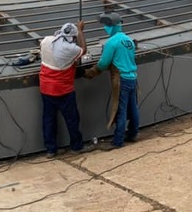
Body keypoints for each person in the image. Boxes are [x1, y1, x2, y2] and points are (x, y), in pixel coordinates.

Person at [84, 12, 139, 148]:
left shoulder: (111, 42)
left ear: (112, 26)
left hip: (121, 81)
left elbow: (103, 63)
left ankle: (118, 141)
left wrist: (89, 73)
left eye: (106, 25)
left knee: (119, 110)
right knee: (133, 109)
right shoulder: (128, 40)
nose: (105, 28)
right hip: (133, 79)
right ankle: (132, 134)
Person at [38, 21, 87, 158]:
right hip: (63, 89)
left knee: (48, 119)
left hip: (46, 87)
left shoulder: (47, 40)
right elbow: (83, 50)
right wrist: (81, 31)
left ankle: (51, 149)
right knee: (72, 119)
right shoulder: (70, 49)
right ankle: (76, 147)